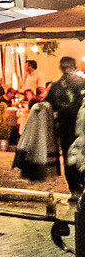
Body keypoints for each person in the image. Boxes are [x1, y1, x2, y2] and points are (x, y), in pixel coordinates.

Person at [47, 56, 85, 196]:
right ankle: (82, 185)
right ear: (74, 66)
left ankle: (75, 190)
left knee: (69, 158)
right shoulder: (82, 84)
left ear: (61, 68)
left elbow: (48, 106)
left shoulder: (55, 86)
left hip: (65, 128)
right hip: (82, 128)